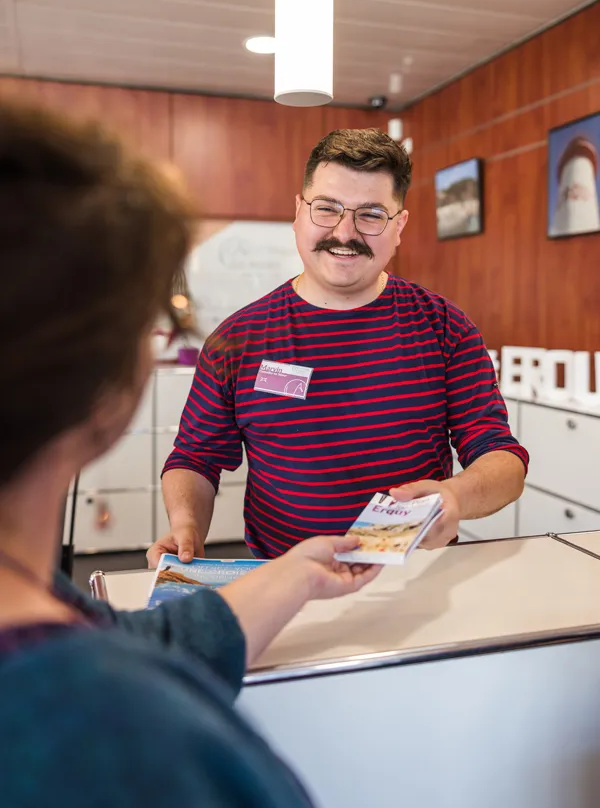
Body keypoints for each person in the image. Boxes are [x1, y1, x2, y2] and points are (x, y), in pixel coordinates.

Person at [0, 102, 380, 808]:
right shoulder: (142, 742)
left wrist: (295, 575)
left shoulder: (43, 606)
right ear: (106, 391)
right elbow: (195, 456)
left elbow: (133, 637)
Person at [150, 128, 529, 567]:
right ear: (299, 212)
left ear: (399, 226)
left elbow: (503, 458)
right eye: (327, 208)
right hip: (283, 579)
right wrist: (187, 525)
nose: (345, 232)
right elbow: (196, 457)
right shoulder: (238, 338)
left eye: (371, 214)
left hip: (412, 575)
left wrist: (455, 496)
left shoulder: (445, 327)